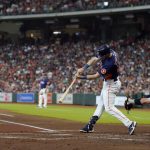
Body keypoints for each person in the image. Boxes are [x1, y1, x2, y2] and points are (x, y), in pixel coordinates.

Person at [76, 44, 137, 135]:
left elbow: (95, 76)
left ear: (105, 54)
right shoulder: (110, 52)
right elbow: (94, 59)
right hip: (108, 83)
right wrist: (83, 68)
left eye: (101, 55)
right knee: (100, 104)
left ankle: (129, 123)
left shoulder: (110, 64)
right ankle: (90, 125)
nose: (99, 57)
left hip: (111, 85)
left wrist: (80, 77)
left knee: (109, 108)